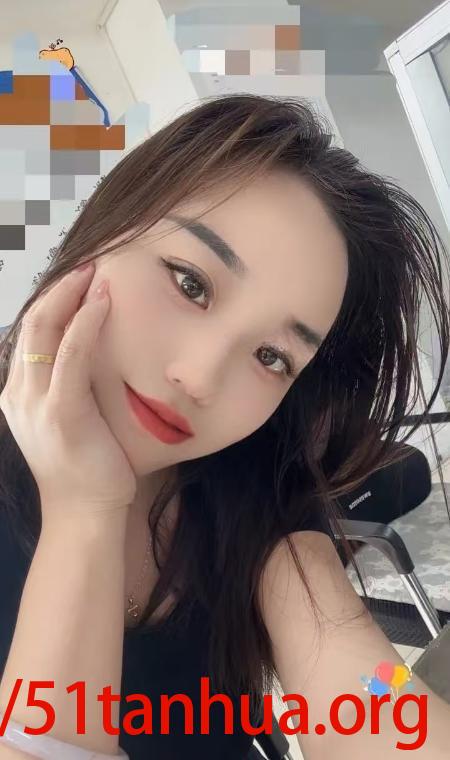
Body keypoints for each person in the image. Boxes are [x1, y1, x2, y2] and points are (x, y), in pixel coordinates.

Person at [0, 93, 449, 759]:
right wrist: (83, 512)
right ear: (103, 229)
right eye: (190, 284)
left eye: (272, 357)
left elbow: (361, 685)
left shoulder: (251, 485)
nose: (201, 378)